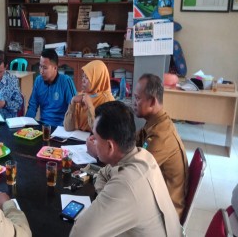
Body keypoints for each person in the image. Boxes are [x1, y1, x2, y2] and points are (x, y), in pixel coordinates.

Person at [70, 101, 182, 237]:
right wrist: (106, 196)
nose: (91, 139)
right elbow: (103, 173)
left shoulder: (127, 184)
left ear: (110, 147)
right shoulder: (143, 155)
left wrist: (109, 198)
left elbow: (79, 233)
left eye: (95, 137)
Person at [134, 73, 188, 219]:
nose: (134, 103)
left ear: (151, 102)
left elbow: (136, 174)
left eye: (138, 98)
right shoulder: (155, 122)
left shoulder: (161, 134)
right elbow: (134, 141)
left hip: (165, 213)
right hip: (155, 197)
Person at [25, 49, 77, 126]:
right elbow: (32, 106)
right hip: (43, 125)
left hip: (61, 127)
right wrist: (27, 124)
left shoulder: (66, 81)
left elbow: (74, 108)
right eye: (40, 66)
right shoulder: (38, 80)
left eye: (45, 68)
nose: (41, 71)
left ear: (55, 68)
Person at [63, 60, 114, 132]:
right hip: (79, 139)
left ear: (97, 79)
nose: (83, 80)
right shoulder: (81, 96)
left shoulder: (108, 101)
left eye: (87, 78)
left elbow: (100, 132)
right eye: (83, 76)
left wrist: (89, 104)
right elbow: (68, 128)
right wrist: (72, 103)